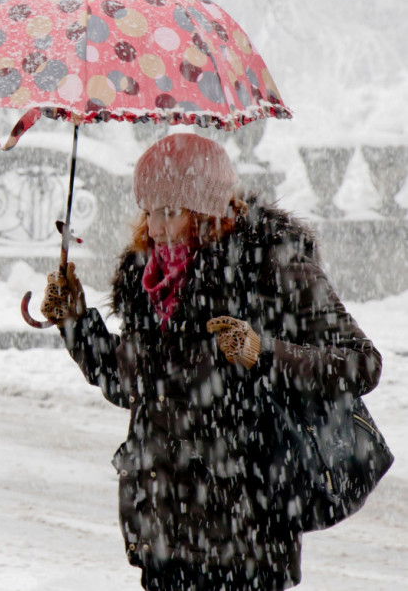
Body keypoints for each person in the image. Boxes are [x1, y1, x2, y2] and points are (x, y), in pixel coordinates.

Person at [39, 133, 382, 590]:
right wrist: (76, 322)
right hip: (163, 530)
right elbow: (131, 383)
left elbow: (360, 364)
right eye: (149, 211)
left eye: (170, 212)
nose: (157, 229)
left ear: (206, 212)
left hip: (247, 536)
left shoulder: (271, 265)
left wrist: (264, 354)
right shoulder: (148, 279)